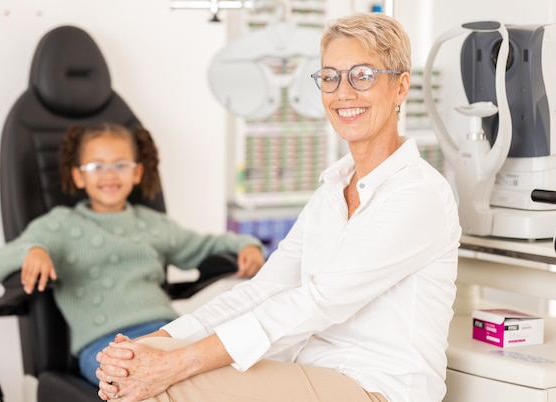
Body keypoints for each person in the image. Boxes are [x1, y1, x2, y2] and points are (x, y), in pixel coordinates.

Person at [95, 13, 461, 402]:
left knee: (166, 386)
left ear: (401, 87)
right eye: (331, 77)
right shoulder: (331, 192)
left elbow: (317, 301)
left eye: (363, 76)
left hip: (377, 387)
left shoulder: (418, 194)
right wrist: (155, 343)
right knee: (134, 373)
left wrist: (178, 362)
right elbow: (263, 291)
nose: (343, 92)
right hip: (311, 373)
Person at [0, 122, 265, 386]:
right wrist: (33, 251)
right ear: (78, 176)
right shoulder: (60, 225)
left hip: (168, 331)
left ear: (137, 173)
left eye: (120, 165)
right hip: (103, 344)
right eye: (97, 166)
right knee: (147, 382)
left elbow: (206, 244)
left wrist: (247, 245)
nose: (109, 175)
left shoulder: (151, 224)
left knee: (229, 370)